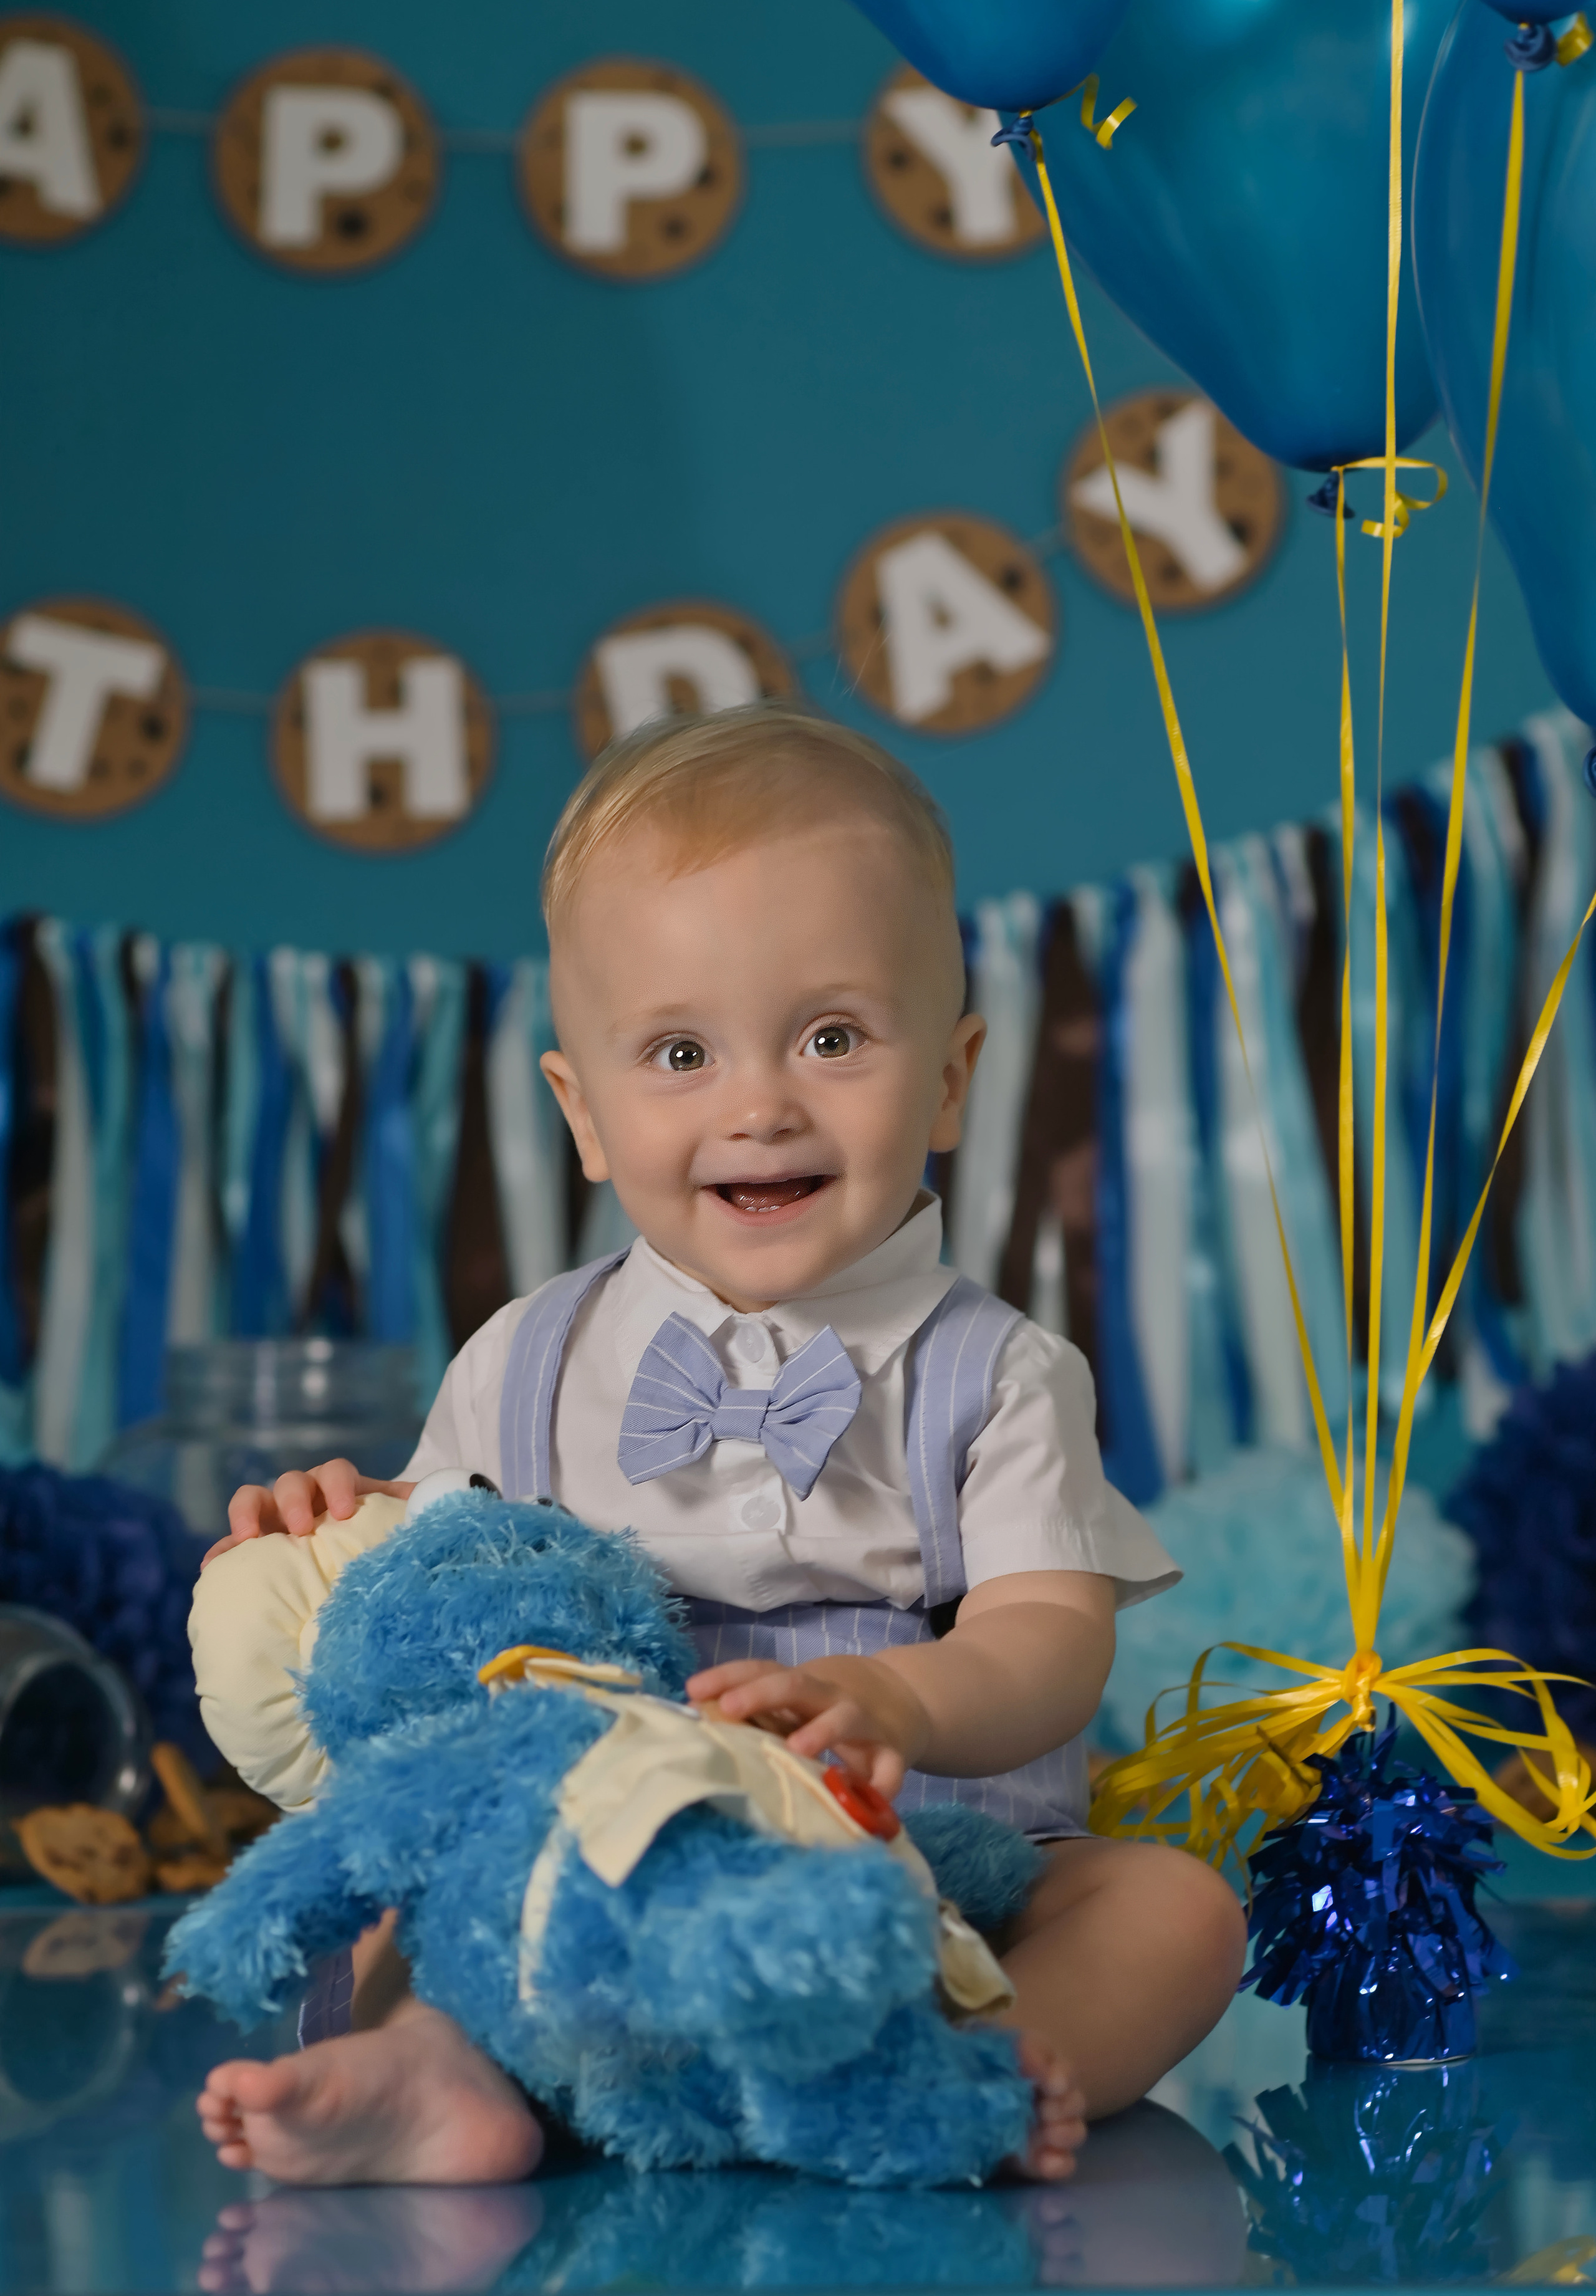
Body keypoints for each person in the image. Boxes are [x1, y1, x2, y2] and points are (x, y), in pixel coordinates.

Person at [194, 706, 1246, 2189]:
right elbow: (442, 1598)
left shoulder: (998, 1369)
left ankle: (979, 2068)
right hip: (621, 1861)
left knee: (1173, 1908)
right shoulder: (529, 1357)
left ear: (949, 1077)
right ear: (584, 1112)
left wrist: (894, 1696)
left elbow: (1049, 1642)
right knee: (416, 1895)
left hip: (931, 1873)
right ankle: (440, 2078)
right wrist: (336, 1522)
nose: (759, 1104)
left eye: (830, 1036)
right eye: (678, 1051)